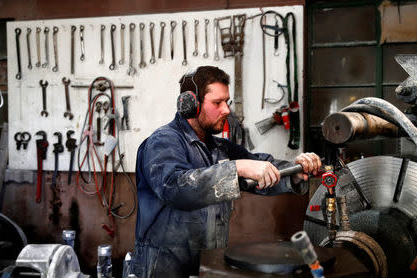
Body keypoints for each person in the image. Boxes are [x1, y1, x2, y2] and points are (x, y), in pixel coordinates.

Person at [129, 66, 322, 278]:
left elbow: (260, 165)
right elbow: (175, 188)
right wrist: (236, 168)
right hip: (163, 269)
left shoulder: (219, 148)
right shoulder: (163, 142)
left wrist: (293, 173)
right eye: (217, 103)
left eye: (227, 102)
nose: (226, 110)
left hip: (207, 265)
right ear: (190, 104)